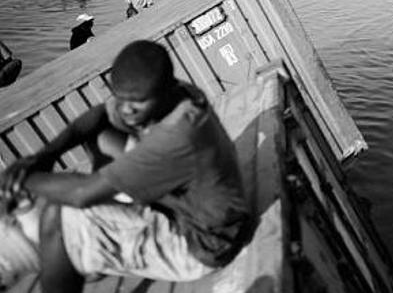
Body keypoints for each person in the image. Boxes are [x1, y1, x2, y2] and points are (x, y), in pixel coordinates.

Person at [0, 41, 254, 293]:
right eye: (119, 98)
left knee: (59, 215)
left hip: (202, 244)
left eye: (137, 102)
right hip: (192, 207)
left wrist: (20, 178)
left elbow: (80, 196)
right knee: (102, 133)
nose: (126, 109)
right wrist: (46, 155)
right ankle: (97, 245)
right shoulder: (179, 94)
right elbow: (98, 115)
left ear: (166, 89)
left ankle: (86, 246)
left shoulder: (179, 135)